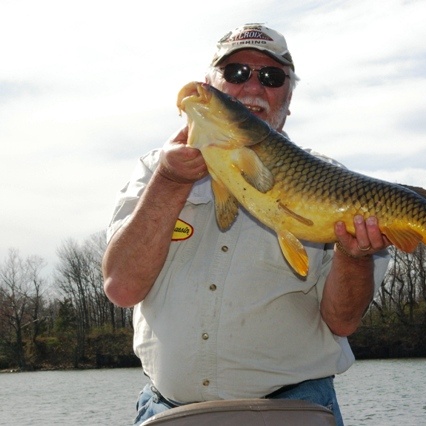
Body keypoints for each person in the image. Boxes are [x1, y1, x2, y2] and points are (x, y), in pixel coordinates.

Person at [102, 23, 390, 426]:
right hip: (168, 411)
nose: (254, 87)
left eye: (272, 78)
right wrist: (169, 182)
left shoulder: (335, 186)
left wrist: (356, 256)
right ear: (211, 85)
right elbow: (121, 287)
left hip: (296, 409)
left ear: (289, 100)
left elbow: (342, 321)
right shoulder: (155, 170)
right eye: (236, 73)